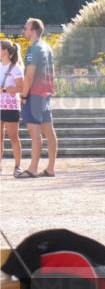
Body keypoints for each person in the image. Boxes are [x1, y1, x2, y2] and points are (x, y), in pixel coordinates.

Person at [17, 18, 57, 178]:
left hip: (34, 95)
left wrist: (24, 95)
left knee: (35, 133)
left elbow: (29, 75)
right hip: (45, 95)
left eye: (25, 27)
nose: (23, 30)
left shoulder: (33, 49)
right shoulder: (47, 47)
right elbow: (53, 72)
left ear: (33, 30)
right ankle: (50, 168)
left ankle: (32, 169)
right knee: (49, 131)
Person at [1, 40, 24, 176]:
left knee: (13, 137)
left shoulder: (15, 68)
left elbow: (21, 87)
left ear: (5, 51)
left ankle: (17, 166)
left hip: (11, 106)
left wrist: (4, 90)